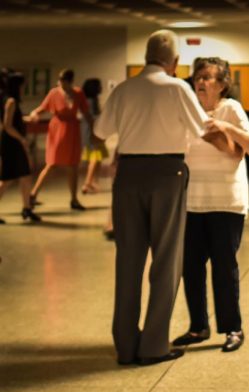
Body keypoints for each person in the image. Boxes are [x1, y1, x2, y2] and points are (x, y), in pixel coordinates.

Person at [94, 29, 210, 366]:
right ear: (174, 62)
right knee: (166, 260)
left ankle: (126, 345)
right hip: (167, 173)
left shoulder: (125, 88)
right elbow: (203, 128)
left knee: (128, 260)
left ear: (145, 57)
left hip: (128, 175)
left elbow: (100, 133)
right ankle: (154, 345)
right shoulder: (177, 87)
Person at [172, 57, 249, 354]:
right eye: (198, 76)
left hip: (226, 202)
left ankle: (232, 328)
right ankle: (198, 326)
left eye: (208, 77)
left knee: (224, 268)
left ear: (222, 85)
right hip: (192, 202)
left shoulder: (231, 108)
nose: (201, 81)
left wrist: (225, 126)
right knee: (191, 268)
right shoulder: (187, 111)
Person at [27, 69, 92, 210]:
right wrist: (33, 113)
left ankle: (74, 200)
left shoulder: (78, 93)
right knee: (52, 163)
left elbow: (86, 113)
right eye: (60, 81)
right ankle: (32, 195)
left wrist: (93, 130)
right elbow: (42, 108)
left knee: (73, 165)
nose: (61, 84)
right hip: (58, 130)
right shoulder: (54, 93)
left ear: (70, 82)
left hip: (73, 131)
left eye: (64, 81)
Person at [0, 71, 39, 223]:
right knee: (7, 179)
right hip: (11, 143)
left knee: (25, 175)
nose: (24, 89)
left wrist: (27, 118)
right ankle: (26, 209)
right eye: (23, 86)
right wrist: (22, 140)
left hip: (12, 141)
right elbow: (7, 126)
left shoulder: (7, 99)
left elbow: (11, 120)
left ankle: (26, 208)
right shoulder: (10, 101)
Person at [80, 78, 109, 195]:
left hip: (92, 130)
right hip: (91, 131)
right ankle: (87, 183)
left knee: (98, 157)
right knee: (95, 157)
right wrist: (95, 133)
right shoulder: (90, 101)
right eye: (99, 85)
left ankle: (91, 181)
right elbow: (91, 119)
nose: (101, 87)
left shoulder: (92, 100)